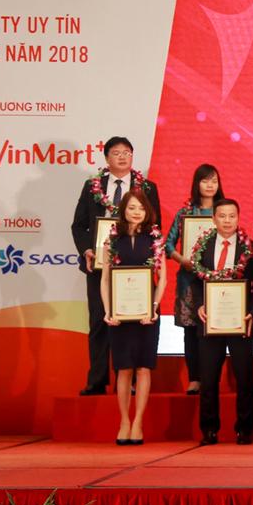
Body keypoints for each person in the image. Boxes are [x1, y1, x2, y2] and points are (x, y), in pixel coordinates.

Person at [71, 136, 162, 396]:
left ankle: (129, 379)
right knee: (100, 320)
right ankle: (97, 379)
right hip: (100, 266)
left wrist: (150, 256)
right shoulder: (92, 186)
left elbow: (155, 224)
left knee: (133, 321)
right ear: (106, 158)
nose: (122, 157)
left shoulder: (147, 187)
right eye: (116, 152)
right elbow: (78, 225)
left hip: (136, 265)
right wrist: (87, 250)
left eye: (127, 152)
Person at [192, 198, 253, 445]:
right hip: (211, 321)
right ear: (213, 218)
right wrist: (200, 304)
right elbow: (195, 282)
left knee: (244, 377)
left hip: (240, 321)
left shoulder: (250, 248)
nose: (227, 221)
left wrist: (252, 312)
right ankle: (209, 430)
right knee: (209, 378)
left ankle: (244, 429)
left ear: (238, 218)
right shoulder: (202, 246)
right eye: (222, 216)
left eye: (232, 216)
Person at [99, 189, 166, 445]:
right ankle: (124, 421)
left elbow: (163, 279)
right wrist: (108, 311)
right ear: (123, 211)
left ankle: (138, 421)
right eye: (131, 208)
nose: (137, 212)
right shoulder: (112, 240)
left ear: (147, 211)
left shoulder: (155, 238)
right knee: (124, 368)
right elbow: (105, 280)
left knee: (144, 367)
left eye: (141, 208)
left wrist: (154, 307)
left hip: (147, 313)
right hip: (120, 313)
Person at [165, 164, 223, 395]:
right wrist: (182, 260)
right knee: (190, 331)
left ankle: (211, 378)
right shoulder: (185, 213)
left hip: (216, 280)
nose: (210, 185)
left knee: (214, 329)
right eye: (205, 180)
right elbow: (168, 245)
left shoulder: (223, 211)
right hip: (189, 280)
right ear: (196, 184)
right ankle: (195, 378)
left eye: (214, 181)